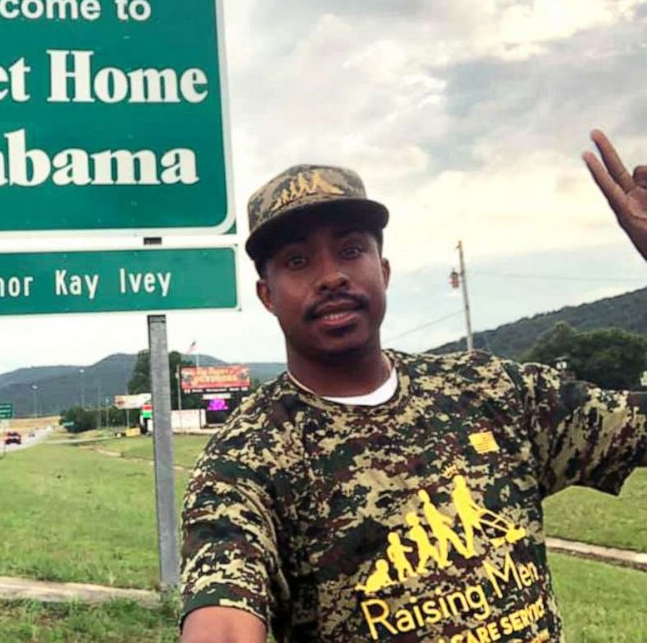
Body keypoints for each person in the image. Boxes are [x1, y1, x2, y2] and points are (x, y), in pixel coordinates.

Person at [179, 130, 647, 643]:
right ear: (267, 296)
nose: (331, 276)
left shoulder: (492, 392)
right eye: (297, 261)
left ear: (382, 270)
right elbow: (222, 618)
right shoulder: (248, 457)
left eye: (351, 250)